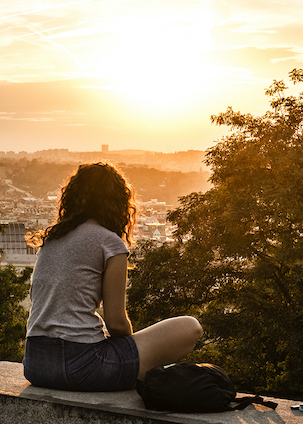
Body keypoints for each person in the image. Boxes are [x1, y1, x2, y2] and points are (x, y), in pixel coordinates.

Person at [23, 162, 202, 391]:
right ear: (118, 202)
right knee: (190, 327)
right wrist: (129, 349)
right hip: (84, 367)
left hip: (36, 365)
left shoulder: (52, 239)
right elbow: (116, 323)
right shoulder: (110, 243)